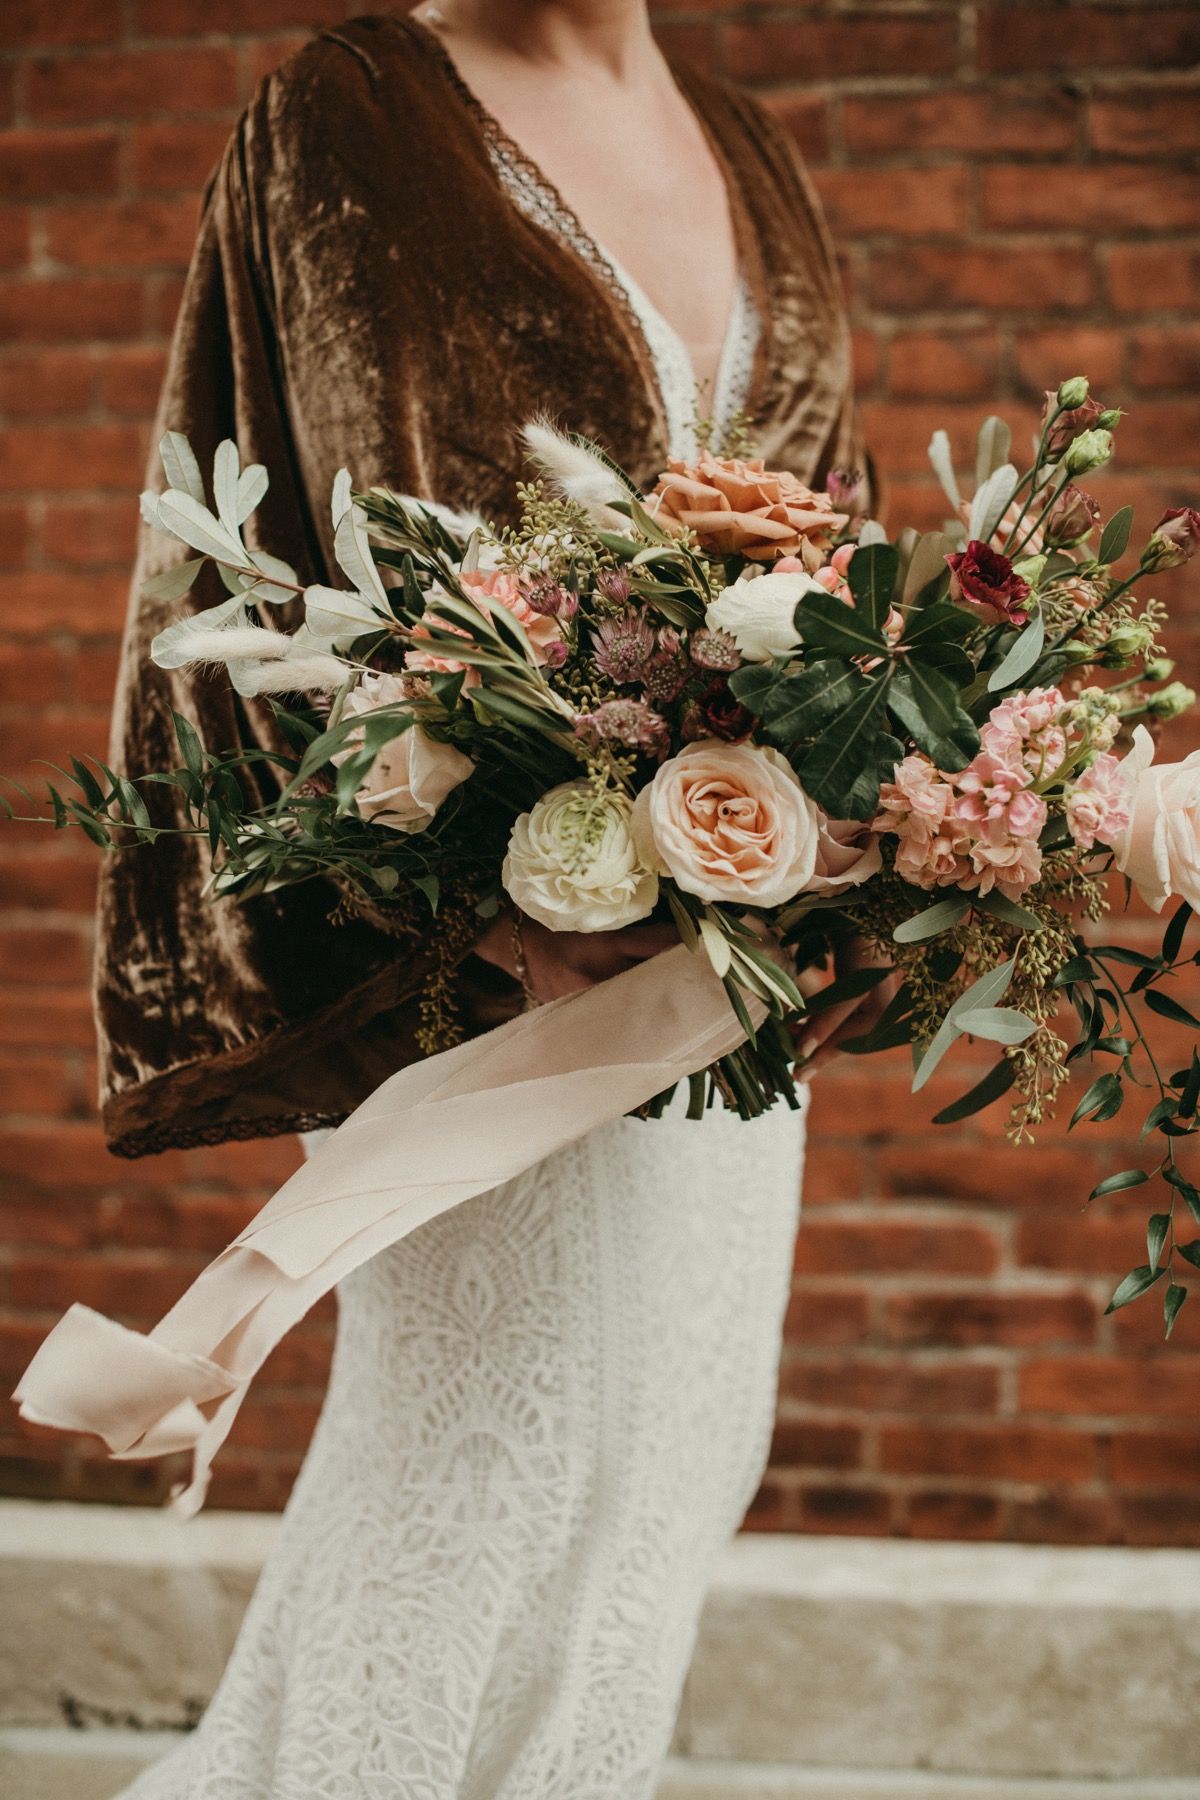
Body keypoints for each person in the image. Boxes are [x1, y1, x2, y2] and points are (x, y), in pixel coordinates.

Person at [92, 4, 888, 1793]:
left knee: (671, 1470)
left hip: (734, 967)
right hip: (486, 965)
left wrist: (886, 834)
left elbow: (848, 560)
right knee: (475, 1472)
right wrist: (466, 894)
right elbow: (303, 557)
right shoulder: (354, 115)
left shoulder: (746, 140)